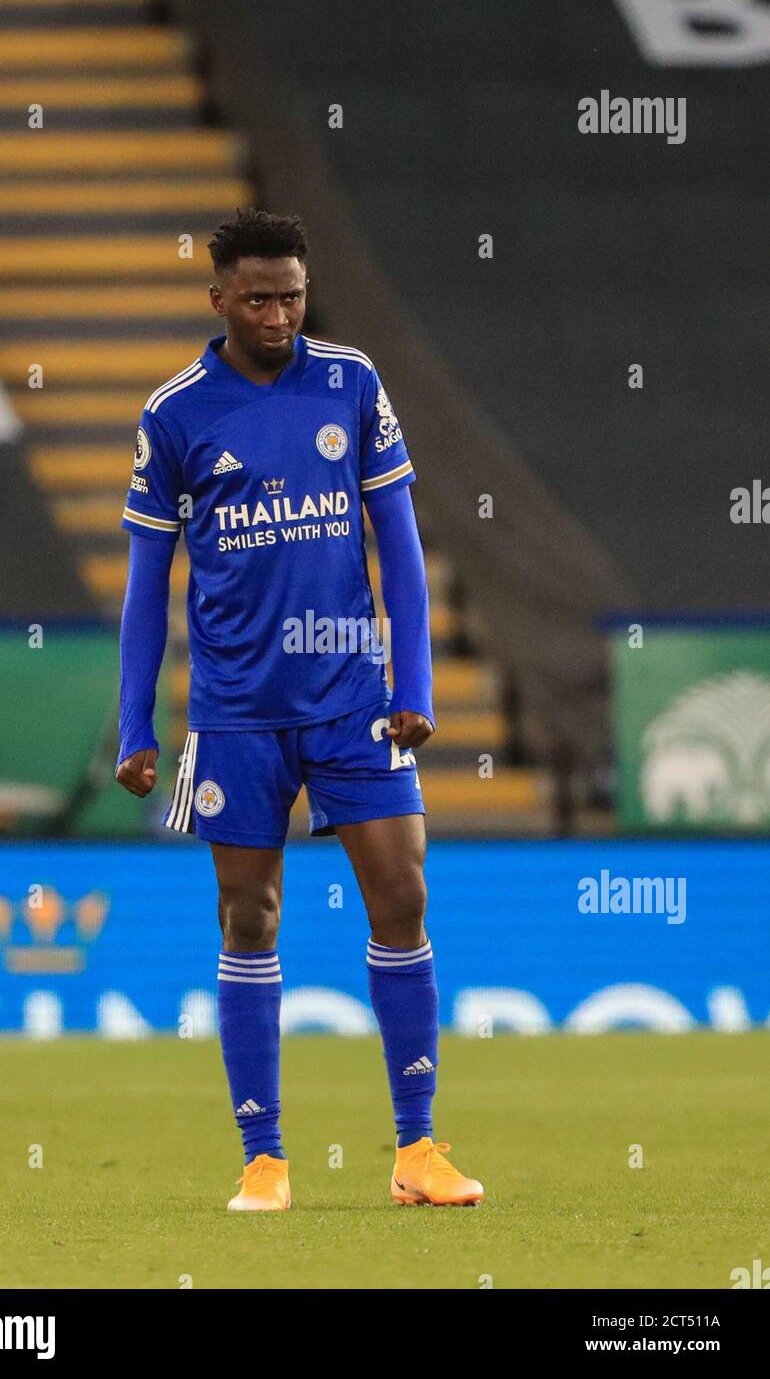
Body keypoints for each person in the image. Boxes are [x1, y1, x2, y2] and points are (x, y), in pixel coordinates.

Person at [116, 207, 483, 1210]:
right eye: (258, 296)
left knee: (401, 893)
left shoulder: (351, 382)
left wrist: (412, 683)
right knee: (248, 913)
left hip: (352, 693)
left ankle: (416, 1150)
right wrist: (135, 723)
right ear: (218, 299)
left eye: (292, 293)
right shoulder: (176, 413)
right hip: (236, 710)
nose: (278, 312)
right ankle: (264, 1160)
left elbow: (399, 548)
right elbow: (147, 584)